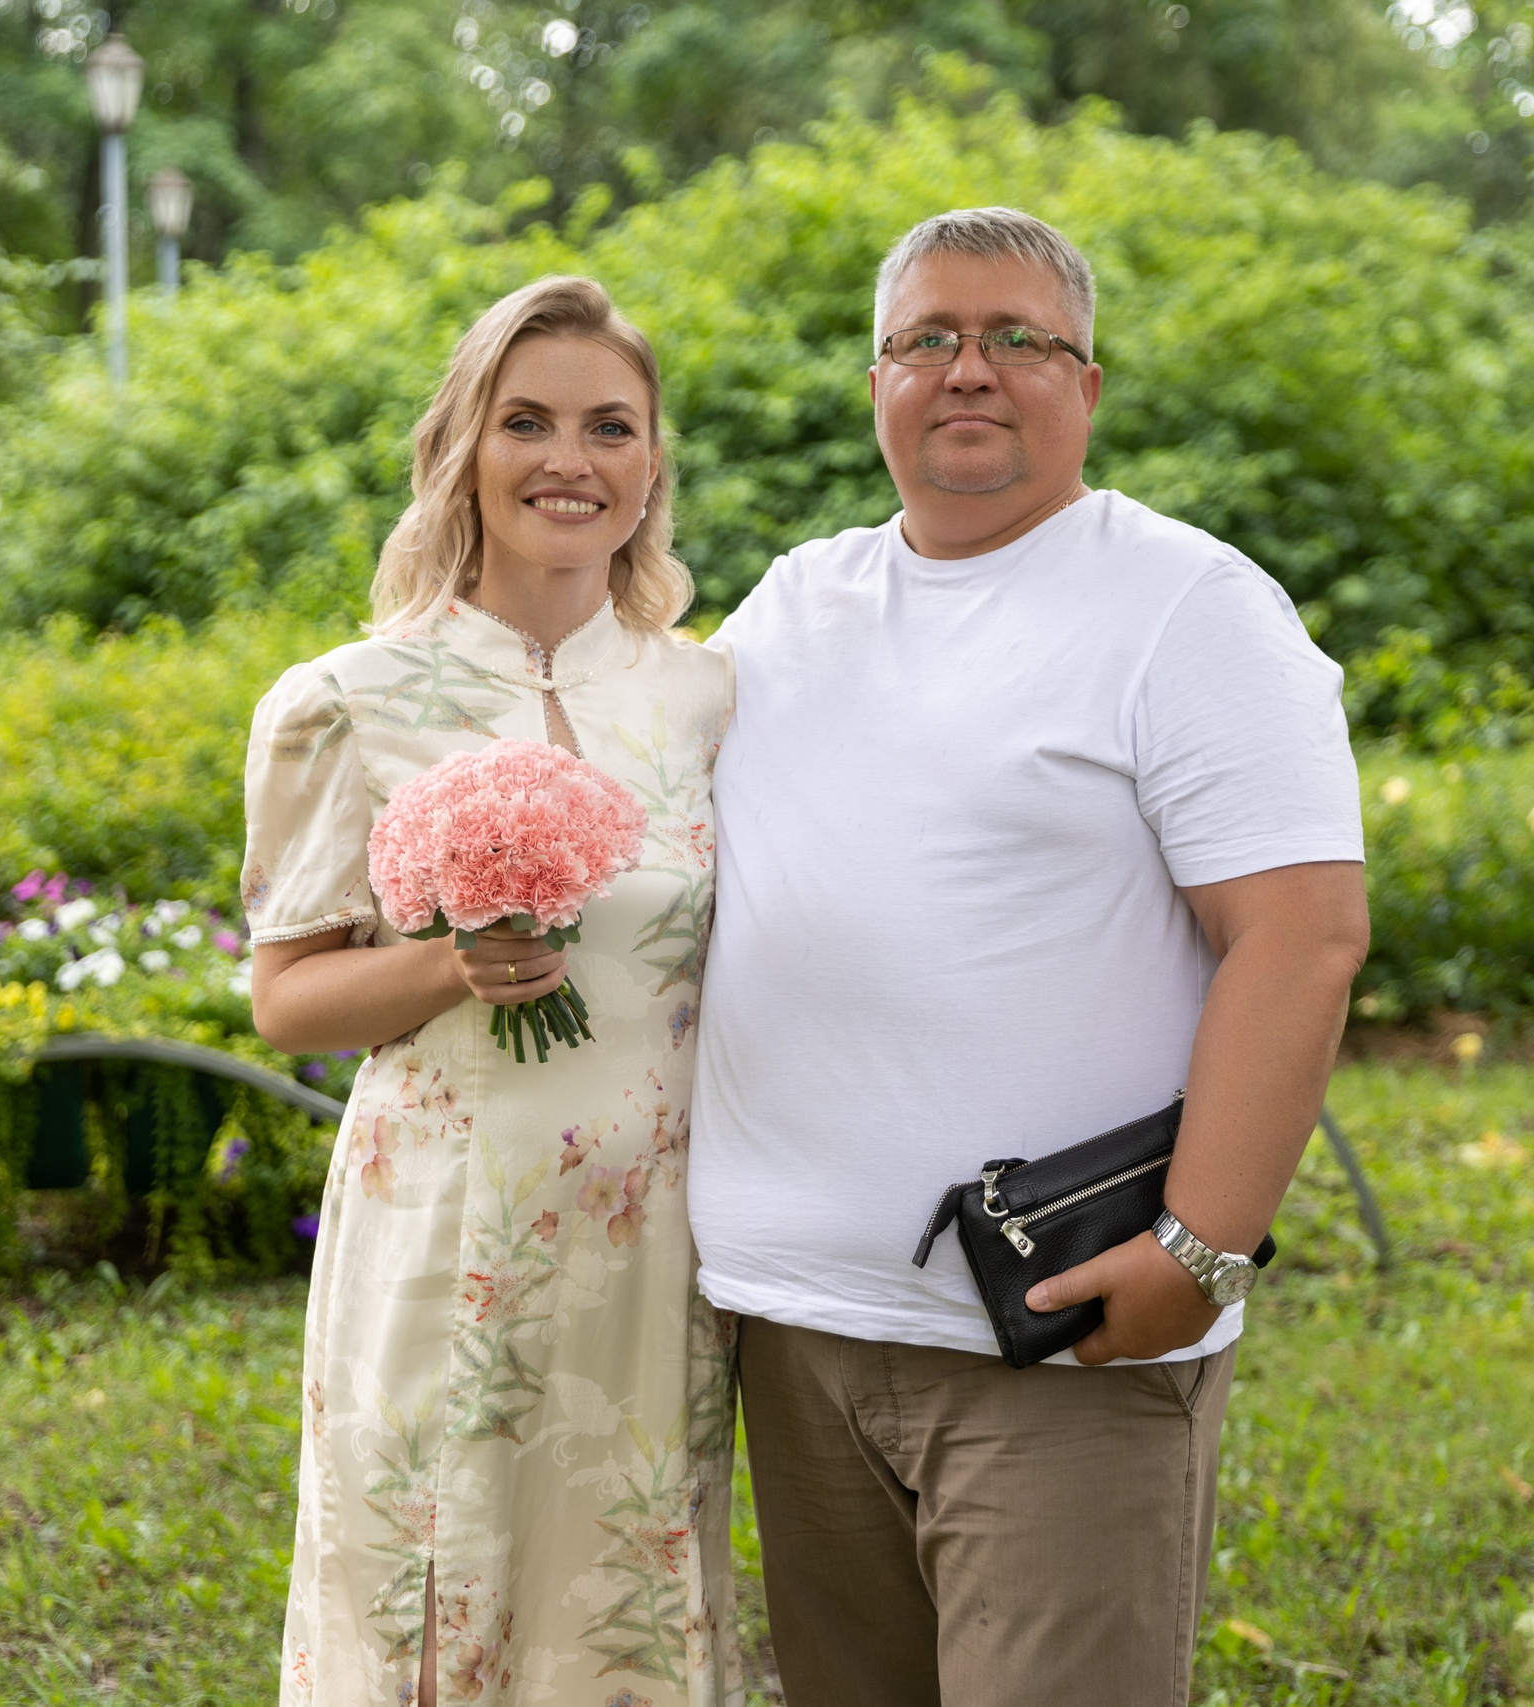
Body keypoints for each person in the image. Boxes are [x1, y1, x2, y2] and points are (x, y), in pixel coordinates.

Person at [692, 208, 1369, 1704]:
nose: (969, 369)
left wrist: (1201, 1252)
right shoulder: (798, 601)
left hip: (1054, 1342)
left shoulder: (1189, 608)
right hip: (792, 1333)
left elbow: (1305, 938)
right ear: (876, 383)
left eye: (1018, 338)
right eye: (926, 338)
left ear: (1091, 385)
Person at [246, 277, 740, 1707]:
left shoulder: (706, 698)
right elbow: (287, 1000)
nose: (567, 461)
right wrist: (453, 965)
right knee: (430, 1590)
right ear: (464, 451)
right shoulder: (347, 699)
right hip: (443, 1230)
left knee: (628, 1600)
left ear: (651, 468)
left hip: (655, 1251)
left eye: (610, 427)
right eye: (525, 422)